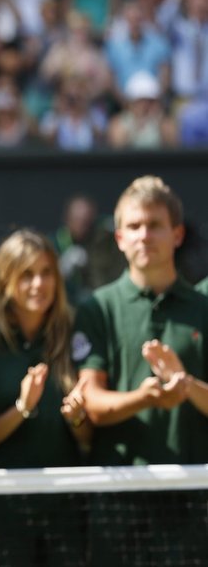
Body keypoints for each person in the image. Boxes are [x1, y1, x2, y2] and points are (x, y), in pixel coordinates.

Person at [73, 175, 208, 564]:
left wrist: (187, 386)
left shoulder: (202, 307)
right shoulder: (97, 307)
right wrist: (145, 396)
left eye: (155, 225)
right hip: (119, 500)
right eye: (134, 226)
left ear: (177, 234)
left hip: (195, 500)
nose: (144, 235)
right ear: (118, 238)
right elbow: (92, 402)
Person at [0, 229, 92, 566]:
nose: (39, 284)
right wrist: (22, 408)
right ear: (6, 281)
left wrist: (77, 418)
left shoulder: (75, 336)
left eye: (46, 272)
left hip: (66, 508)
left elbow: (88, 439)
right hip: (5, 511)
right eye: (26, 274)